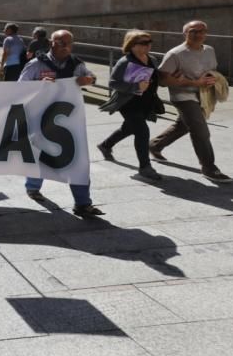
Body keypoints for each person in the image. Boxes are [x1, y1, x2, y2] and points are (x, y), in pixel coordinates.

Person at [19, 30, 103, 217]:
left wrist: (89, 80)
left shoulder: (77, 63)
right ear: (51, 43)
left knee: (78, 160)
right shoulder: (36, 64)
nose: (65, 46)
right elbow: (19, 88)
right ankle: (33, 187)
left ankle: (82, 203)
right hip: (41, 119)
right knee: (39, 154)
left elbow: (92, 78)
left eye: (69, 42)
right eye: (61, 42)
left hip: (69, 121)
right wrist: (39, 84)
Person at [149, 20, 229, 182]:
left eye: (202, 31)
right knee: (201, 131)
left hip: (204, 96)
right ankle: (209, 168)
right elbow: (163, 81)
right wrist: (193, 83)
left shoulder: (209, 50)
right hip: (183, 97)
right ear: (185, 33)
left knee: (183, 126)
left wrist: (212, 79)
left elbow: (210, 70)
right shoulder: (175, 54)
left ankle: (155, 145)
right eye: (193, 31)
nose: (198, 34)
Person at [98, 31, 164, 181]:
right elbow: (113, 83)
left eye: (149, 42)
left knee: (128, 128)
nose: (148, 45)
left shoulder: (152, 59)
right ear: (132, 45)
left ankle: (105, 145)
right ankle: (145, 167)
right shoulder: (125, 62)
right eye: (143, 43)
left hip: (146, 102)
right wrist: (135, 87)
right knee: (142, 131)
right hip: (128, 103)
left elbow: (157, 78)